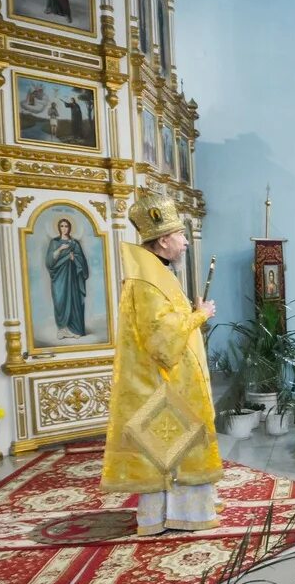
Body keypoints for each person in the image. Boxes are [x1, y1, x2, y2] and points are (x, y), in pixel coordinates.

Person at [102, 194, 220, 536]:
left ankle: (180, 512)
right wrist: (200, 314)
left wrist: (190, 312)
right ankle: (179, 514)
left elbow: (166, 322)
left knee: (174, 449)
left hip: (171, 381)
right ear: (164, 240)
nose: (185, 243)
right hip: (163, 383)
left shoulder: (155, 273)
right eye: (181, 236)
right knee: (171, 450)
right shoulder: (147, 279)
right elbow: (160, 339)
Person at [44, 217, 88, 339]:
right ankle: (62, 329)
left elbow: (82, 261)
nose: (64, 228)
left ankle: (73, 329)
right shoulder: (54, 242)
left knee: (73, 301)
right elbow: (49, 262)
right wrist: (60, 249)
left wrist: (75, 259)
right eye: (62, 226)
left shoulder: (74, 243)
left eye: (66, 226)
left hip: (73, 278)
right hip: (59, 278)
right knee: (60, 300)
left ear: (70, 228)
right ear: (59, 228)